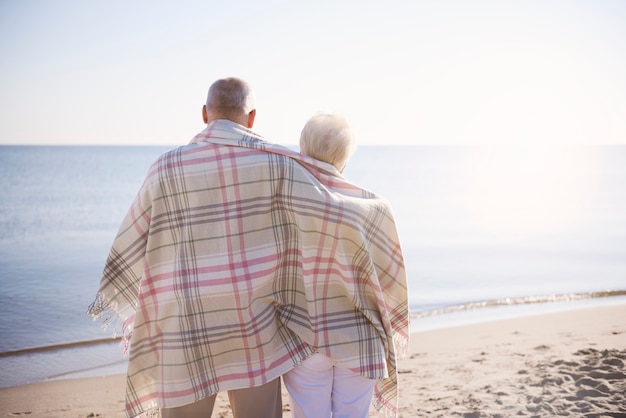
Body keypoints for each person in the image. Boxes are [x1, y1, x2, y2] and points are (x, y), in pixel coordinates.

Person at [88, 77, 409, 418]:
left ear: (204, 114)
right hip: (252, 328)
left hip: (183, 327)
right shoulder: (278, 165)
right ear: (252, 117)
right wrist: (378, 211)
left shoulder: (165, 168)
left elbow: (132, 242)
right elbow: (327, 202)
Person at [281, 113, 402, 418]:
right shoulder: (374, 208)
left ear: (301, 148)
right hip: (360, 336)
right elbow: (390, 282)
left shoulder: (284, 202)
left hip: (305, 334)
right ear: (346, 159)